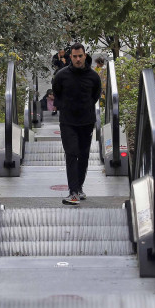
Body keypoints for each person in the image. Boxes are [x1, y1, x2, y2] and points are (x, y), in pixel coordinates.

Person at [52, 43, 102, 205]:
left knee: (84, 155)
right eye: (74, 56)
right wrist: (64, 107)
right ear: (70, 57)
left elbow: (96, 95)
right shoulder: (61, 75)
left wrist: (85, 107)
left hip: (87, 121)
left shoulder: (94, 77)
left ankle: (79, 188)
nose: (78, 59)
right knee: (71, 153)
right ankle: (73, 192)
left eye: (80, 56)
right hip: (68, 122)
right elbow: (56, 92)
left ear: (85, 55)